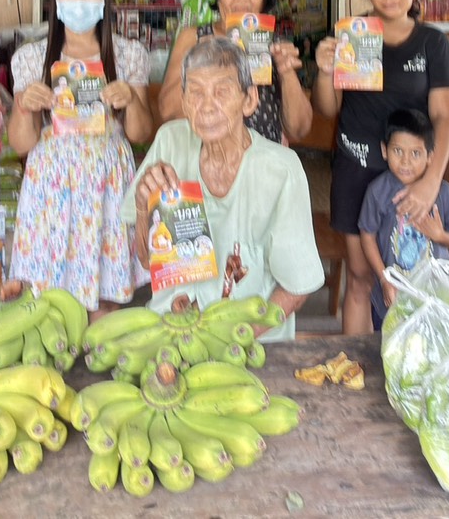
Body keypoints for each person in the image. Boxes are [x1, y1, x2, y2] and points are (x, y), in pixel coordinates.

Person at [123, 37, 324, 341]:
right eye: (196, 92)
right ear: (184, 99)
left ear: (249, 100)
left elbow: (296, 288)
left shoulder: (281, 169)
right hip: (174, 329)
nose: (206, 106)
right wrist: (142, 208)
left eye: (222, 92)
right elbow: (147, 261)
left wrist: (236, 339)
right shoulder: (170, 142)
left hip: (248, 339)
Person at [312, 0, 449, 334]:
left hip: (411, 178)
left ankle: (412, 359)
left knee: (415, 277)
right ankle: (355, 370)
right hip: (356, 169)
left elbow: (445, 117)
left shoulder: (433, 43)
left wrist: (430, 182)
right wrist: (325, 71)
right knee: (360, 278)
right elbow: (327, 109)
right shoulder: (352, 36)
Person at [8, 0, 155, 318]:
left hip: (108, 177)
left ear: (104, 0)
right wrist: (26, 106)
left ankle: (97, 360)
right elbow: (21, 144)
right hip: (52, 180)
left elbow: (140, 133)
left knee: (105, 291)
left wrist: (131, 100)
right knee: (49, 292)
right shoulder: (31, 58)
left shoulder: (128, 54)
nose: (78, 0)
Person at [157, 0, 313, 145]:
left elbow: (300, 129)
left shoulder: (274, 46)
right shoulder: (194, 38)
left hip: (262, 164)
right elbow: (167, 111)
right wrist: (206, 61)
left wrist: (287, 73)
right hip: (204, 162)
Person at [358, 108, 449, 329]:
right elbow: (367, 235)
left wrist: (440, 235)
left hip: (435, 298)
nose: (406, 161)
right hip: (391, 296)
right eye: (398, 150)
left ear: (430, 156)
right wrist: (383, 278)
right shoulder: (378, 191)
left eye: (416, 153)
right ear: (384, 150)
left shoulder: (443, 193)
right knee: (389, 351)